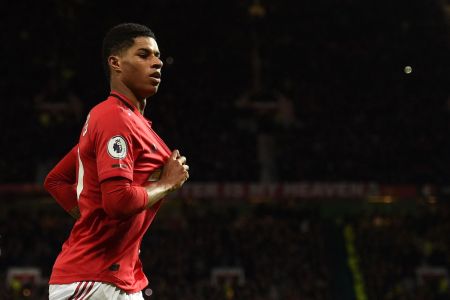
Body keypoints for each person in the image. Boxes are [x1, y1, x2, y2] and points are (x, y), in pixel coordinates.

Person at [44, 23, 189, 300]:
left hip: (120, 279)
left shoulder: (129, 121)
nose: (157, 63)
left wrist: (91, 217)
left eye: (157, 56)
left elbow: (57, 180)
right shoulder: (114, 117)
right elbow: (119, 202)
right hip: (93, 279)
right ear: (116, 63)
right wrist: (168, 184)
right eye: (144, 55)